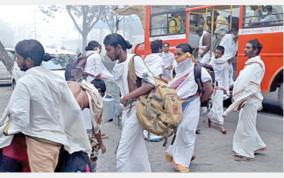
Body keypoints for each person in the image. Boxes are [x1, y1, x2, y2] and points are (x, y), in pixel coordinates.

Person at [0, 39, 91, 172]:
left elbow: (20, 118)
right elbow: (74, 110)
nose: (16, 62)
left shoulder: (25, 82)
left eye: (18, 58)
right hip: (59, 142)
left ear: (29, 61)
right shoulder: (56, 79)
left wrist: (5, 131)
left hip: (39, 144)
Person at [103, 33, 155, 172]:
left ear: (118, 47)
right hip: (127, 111)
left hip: (137, 110)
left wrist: (127, 97)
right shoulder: (117, 65)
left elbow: (150, 83)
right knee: (138, 150)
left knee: (122, 154)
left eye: (109, 49)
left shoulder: (134, 60)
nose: (107, 53)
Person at [165, 43, 212, 172]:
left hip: (193, 102)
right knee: (180, 130)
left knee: (187, 131)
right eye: (175, 54)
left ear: (188, 55)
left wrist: (199, 101)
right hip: (178, 105)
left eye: (179, 54)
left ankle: (182, 162)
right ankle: (186, 154)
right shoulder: (177, 68)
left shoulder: (199, 70)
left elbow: (209, 90)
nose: (176, 57)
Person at [223, 39, 266, 161]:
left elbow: (251, 87)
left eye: (248, 48)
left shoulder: (257, 65)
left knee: (245, 126)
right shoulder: (251, 64)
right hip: (247, 100)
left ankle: (246, 153)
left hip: (249, 100)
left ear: (255, 50)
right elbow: (243, 83)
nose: (244, 49)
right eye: (245, 47)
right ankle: (258, 145)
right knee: (247, 125)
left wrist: (240, 100)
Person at [207, 46, 229, 134]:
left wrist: (226, 89)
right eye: (215, 52)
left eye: (218, 53)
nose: (216, 54)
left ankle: (221, 125)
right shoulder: (212, 61)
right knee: (211, 104)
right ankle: (209, 119)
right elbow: (208, 72)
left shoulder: (225, 64)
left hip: (220, 86)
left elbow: (226, 77)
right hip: (212, 85)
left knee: (218, 105)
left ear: (222, 54)